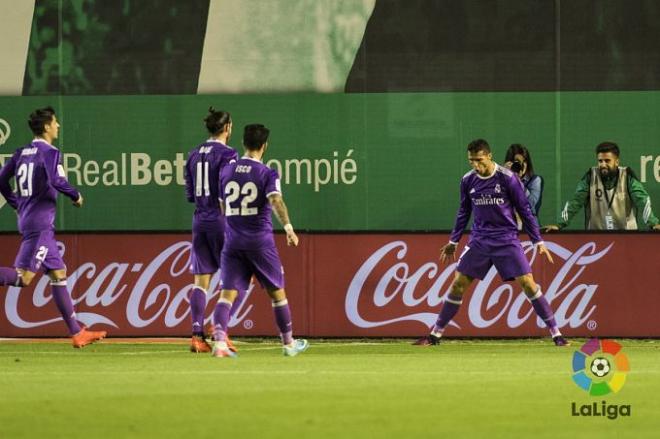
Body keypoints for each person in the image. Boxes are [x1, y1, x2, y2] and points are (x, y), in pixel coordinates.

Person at [415, 139, 568, 346]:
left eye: (479, 160)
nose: (475, 165)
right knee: (457, 284)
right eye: (471, 161)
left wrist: (537, 241)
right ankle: (435, 335)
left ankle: (556, 334)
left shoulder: (508, 178)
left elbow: (525, 210)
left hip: (506, 239)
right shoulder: (467, 180)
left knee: (528, 285)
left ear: (489, 156)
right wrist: (454, 240)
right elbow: (463, 211)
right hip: (479, 240)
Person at [0, 106, 106, 348]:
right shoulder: (50, 152)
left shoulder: (20, 152)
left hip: (31, 220)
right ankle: (76, 332)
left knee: (59, 274)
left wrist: (16, 203)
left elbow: (1, 180)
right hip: (40, 225)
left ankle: (77, 332)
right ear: (47, 127)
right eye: (55, 122)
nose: (58, 126)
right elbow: (57, 180)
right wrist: (75, 195)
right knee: (24, 278)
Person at [211, 124, 308, 358]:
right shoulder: (267, 173)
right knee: (277, 293)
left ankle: (220, 344)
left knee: (227, 294)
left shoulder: (226, 170)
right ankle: (288, 344)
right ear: (264, 146)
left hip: (232, 241)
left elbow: (222, 206)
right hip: (259, 242)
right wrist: (288, 228)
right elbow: (276, 201)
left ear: (243, 143)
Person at [184, 107, 246, 353]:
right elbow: (226, 190)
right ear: (227, 127)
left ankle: (197, 336)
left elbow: (190, 193)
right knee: (240, 275)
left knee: (201, 281)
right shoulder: (229, 153)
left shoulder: (193, 154)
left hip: (200, 219)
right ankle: (219, 325)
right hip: (221, 220)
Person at [545, 142, 660, 231]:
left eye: (607, 161)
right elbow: (575, 202)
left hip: (626, 237)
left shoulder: (627, 175)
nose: (603, 164)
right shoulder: (591, 176)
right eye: (600, 161)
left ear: (617, 162)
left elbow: (643, 201)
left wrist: (653, 223)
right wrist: (559, 224)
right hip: (596, 238)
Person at [504, 143, 543, 226]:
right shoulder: (501, 180)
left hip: (529, 227)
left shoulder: (535, 181)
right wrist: (502, 176)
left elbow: (530, 205)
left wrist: (518, 182)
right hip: (507, 226)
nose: (518, 166)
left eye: (521, 162)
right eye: (515, 163)